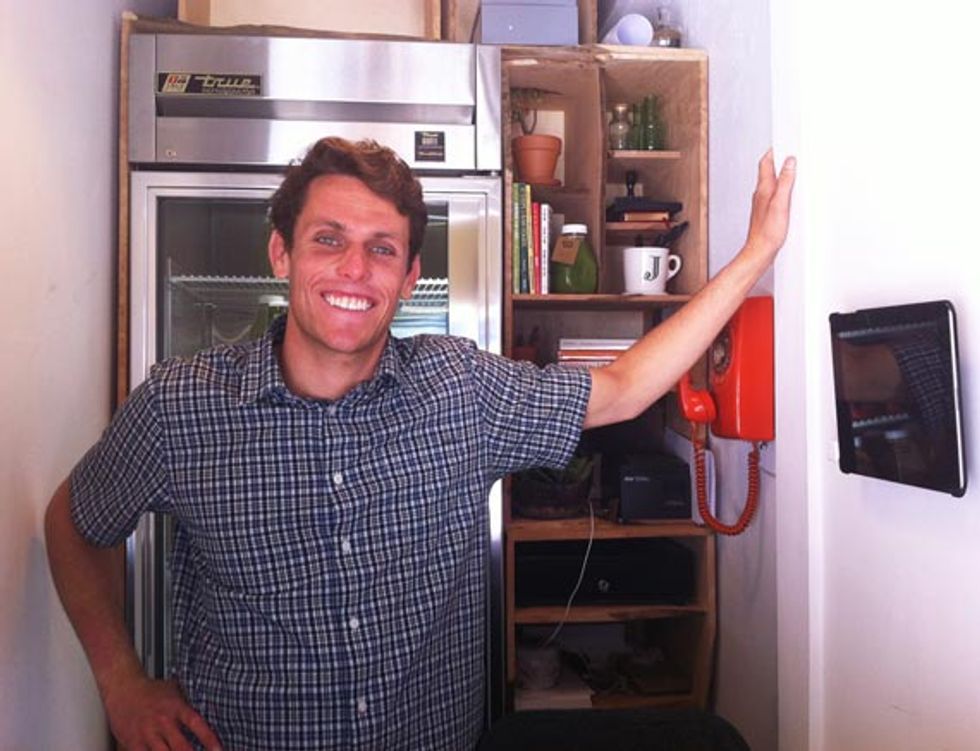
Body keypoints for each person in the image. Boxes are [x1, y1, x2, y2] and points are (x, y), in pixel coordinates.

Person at [45, 136, 795, 751]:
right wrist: (121, 683)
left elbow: (625, 387)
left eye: (381, 250)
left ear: (409, 277)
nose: (353, 269)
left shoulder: (460, 389)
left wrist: (756, 254)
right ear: (281, 254)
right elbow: (75, 525)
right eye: (328, 240)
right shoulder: (180, 406)